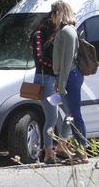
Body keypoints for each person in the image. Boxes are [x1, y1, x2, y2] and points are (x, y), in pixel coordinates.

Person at [49, 0, 89, 163]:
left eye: (53, 13)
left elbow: (67, 61)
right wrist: (59, 80)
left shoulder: (67, 31)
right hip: (67, 76)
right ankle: (80, 151)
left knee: (75, 115)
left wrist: (61, 83)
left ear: (59, 13)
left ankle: (82, 151)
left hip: (70, 76)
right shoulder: (64, 30)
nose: (51, 17)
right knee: (71, 115)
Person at [31, 9, 65, 163]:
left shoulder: (52, 34)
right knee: (52, 117)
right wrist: (56, 66)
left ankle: (58, 148)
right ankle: (49, 153)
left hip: (52, 78)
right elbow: (40, 58)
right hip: (45, 79)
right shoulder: (38, 35)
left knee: (58, 116)